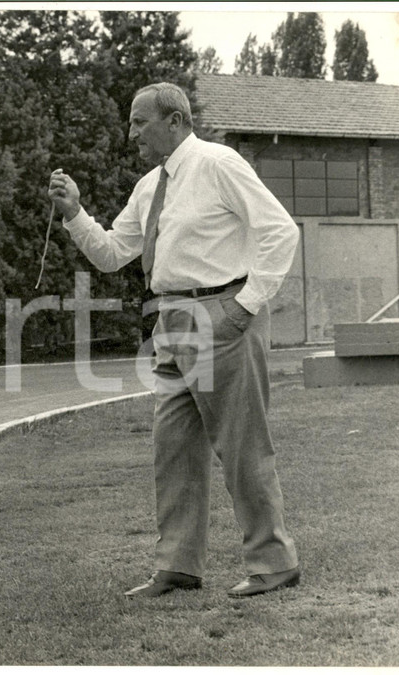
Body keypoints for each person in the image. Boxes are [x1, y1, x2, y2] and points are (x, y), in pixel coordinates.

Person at [48, 82, 301, 599]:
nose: (131, 131)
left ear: (176, 121)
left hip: (224, 314)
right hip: (170, 320)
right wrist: (74, 212)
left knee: (242, 446)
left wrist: (244, 307)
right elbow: (113, 252)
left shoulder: (218, 164)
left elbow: (281, 231)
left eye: (140, 121)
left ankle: (274, 563)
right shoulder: (149, 187)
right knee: (174, 450)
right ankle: (179, 567)